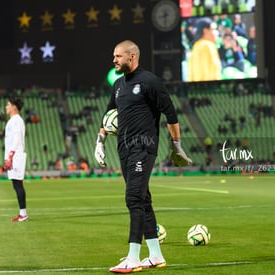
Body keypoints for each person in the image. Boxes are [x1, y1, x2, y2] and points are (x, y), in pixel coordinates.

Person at [94, 40, 192, 273]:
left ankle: (133, 257)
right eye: (113, 56)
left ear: (132, 56)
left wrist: (176, 147)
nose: (114, 60)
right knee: (143, 200)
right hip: (124, 150)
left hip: (143, 148)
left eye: (118, 56)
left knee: (134, 199)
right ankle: (156, 256)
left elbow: (171, 115)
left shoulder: (150, 82)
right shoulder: (117, 85)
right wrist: (100, 142)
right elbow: (108, 115)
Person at [4, 97, 28, 222]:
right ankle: (22, 213)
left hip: (16, 157)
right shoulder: (14, 120)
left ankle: (23, 214)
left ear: (14, 107)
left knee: (18, 184)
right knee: (16, 184)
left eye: (8, 104)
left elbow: (17, 139)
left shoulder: (16, 121)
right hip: (15, 156)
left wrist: (10, 157)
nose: (6, 107)